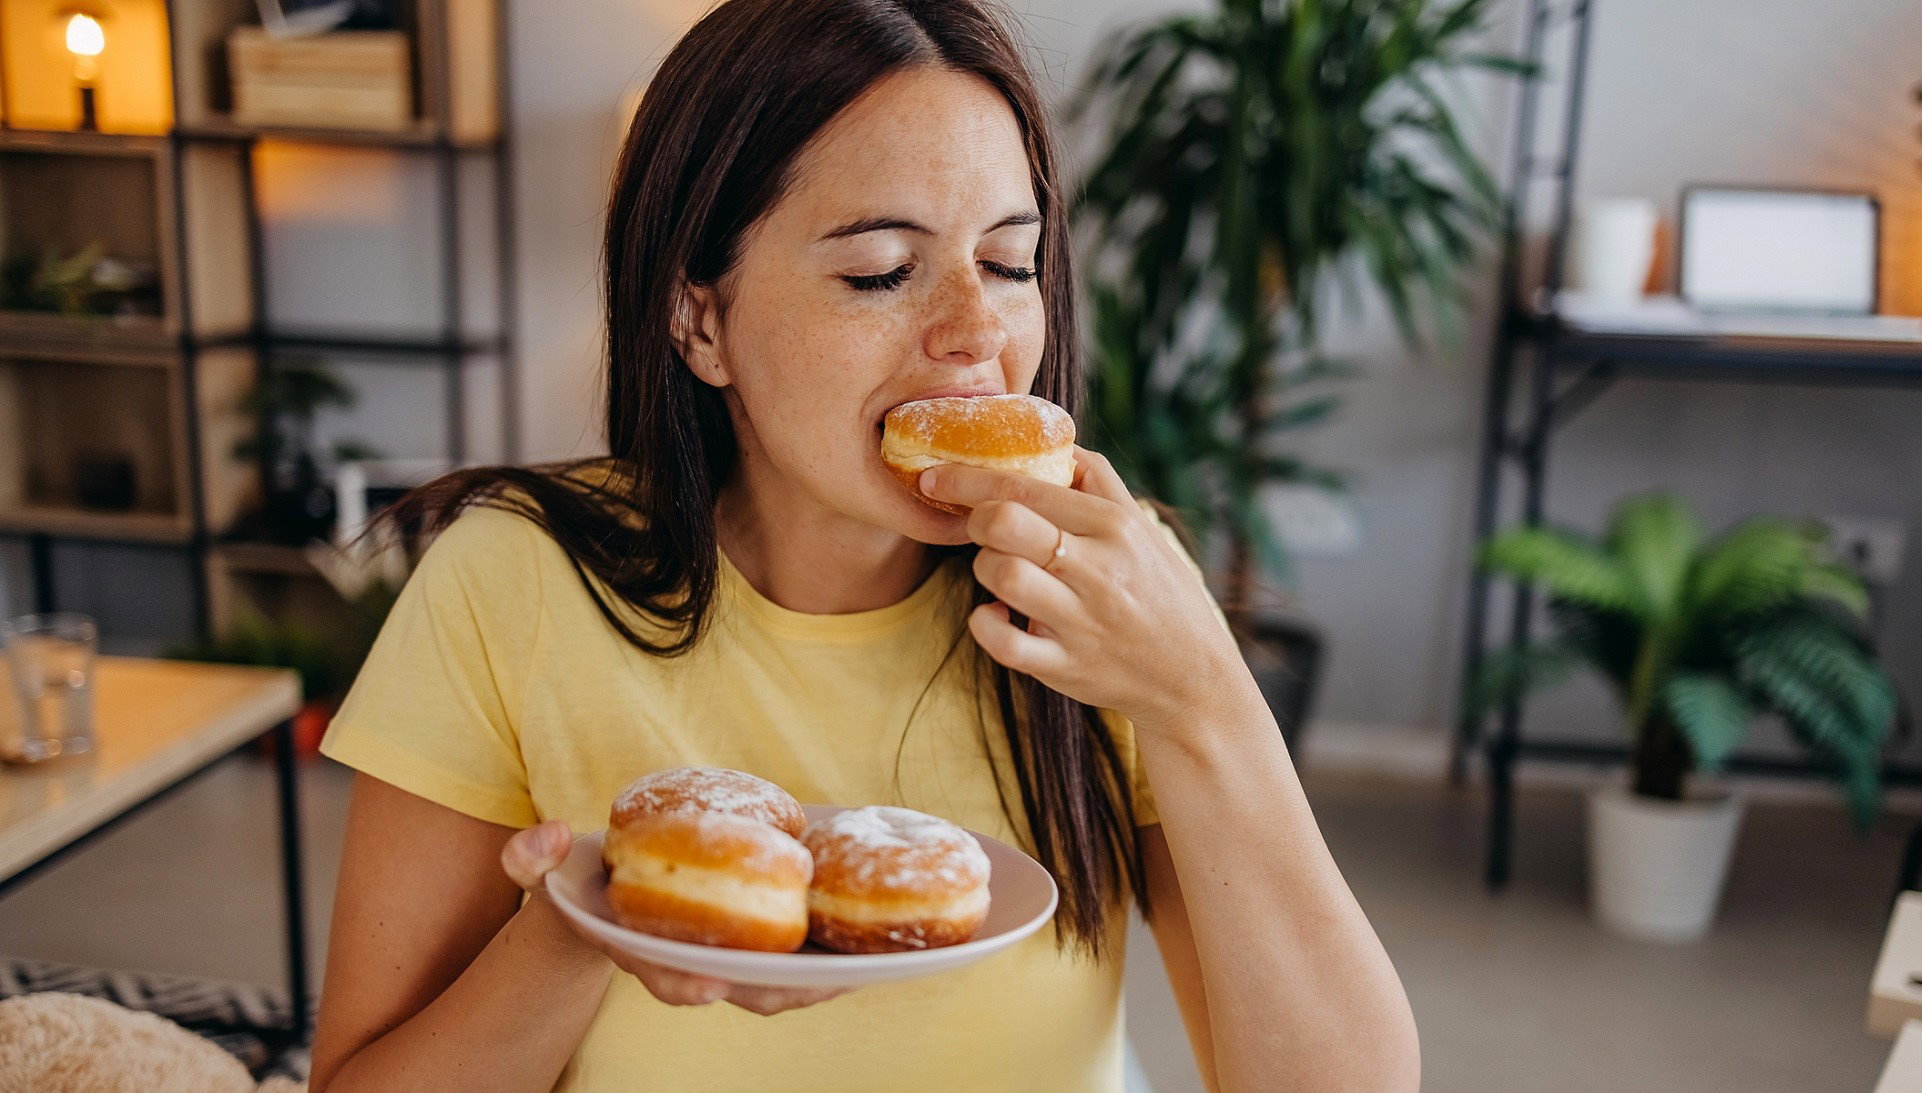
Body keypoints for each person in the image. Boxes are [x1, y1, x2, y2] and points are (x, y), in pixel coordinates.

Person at [306, 1, 1418, 1089]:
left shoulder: (1106, 598)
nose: (976, 334)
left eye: (1010, 262)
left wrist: (1202, 695)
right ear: (698, 320)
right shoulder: (510, 584)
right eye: (881, 270)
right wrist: (582, 924)